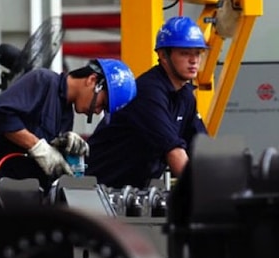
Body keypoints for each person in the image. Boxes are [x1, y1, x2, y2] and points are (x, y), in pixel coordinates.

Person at [85, 16, 209, 188]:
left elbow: (201, 147)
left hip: (132, 192)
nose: (194, 60)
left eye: (198, 53)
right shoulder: (148, 93)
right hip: (99, 190)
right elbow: (174, 152)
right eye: (185, 53)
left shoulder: (185, 96)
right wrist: (208, 194)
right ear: (163, 56)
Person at [0, 58, 137, 191]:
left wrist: (61, 149)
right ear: (92, 80)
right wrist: (38, 147)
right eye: (101, 104)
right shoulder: (43, 81)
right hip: (3, 195)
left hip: (31, 199)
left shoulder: (66, 114)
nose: (97, 112)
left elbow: (45, 159)